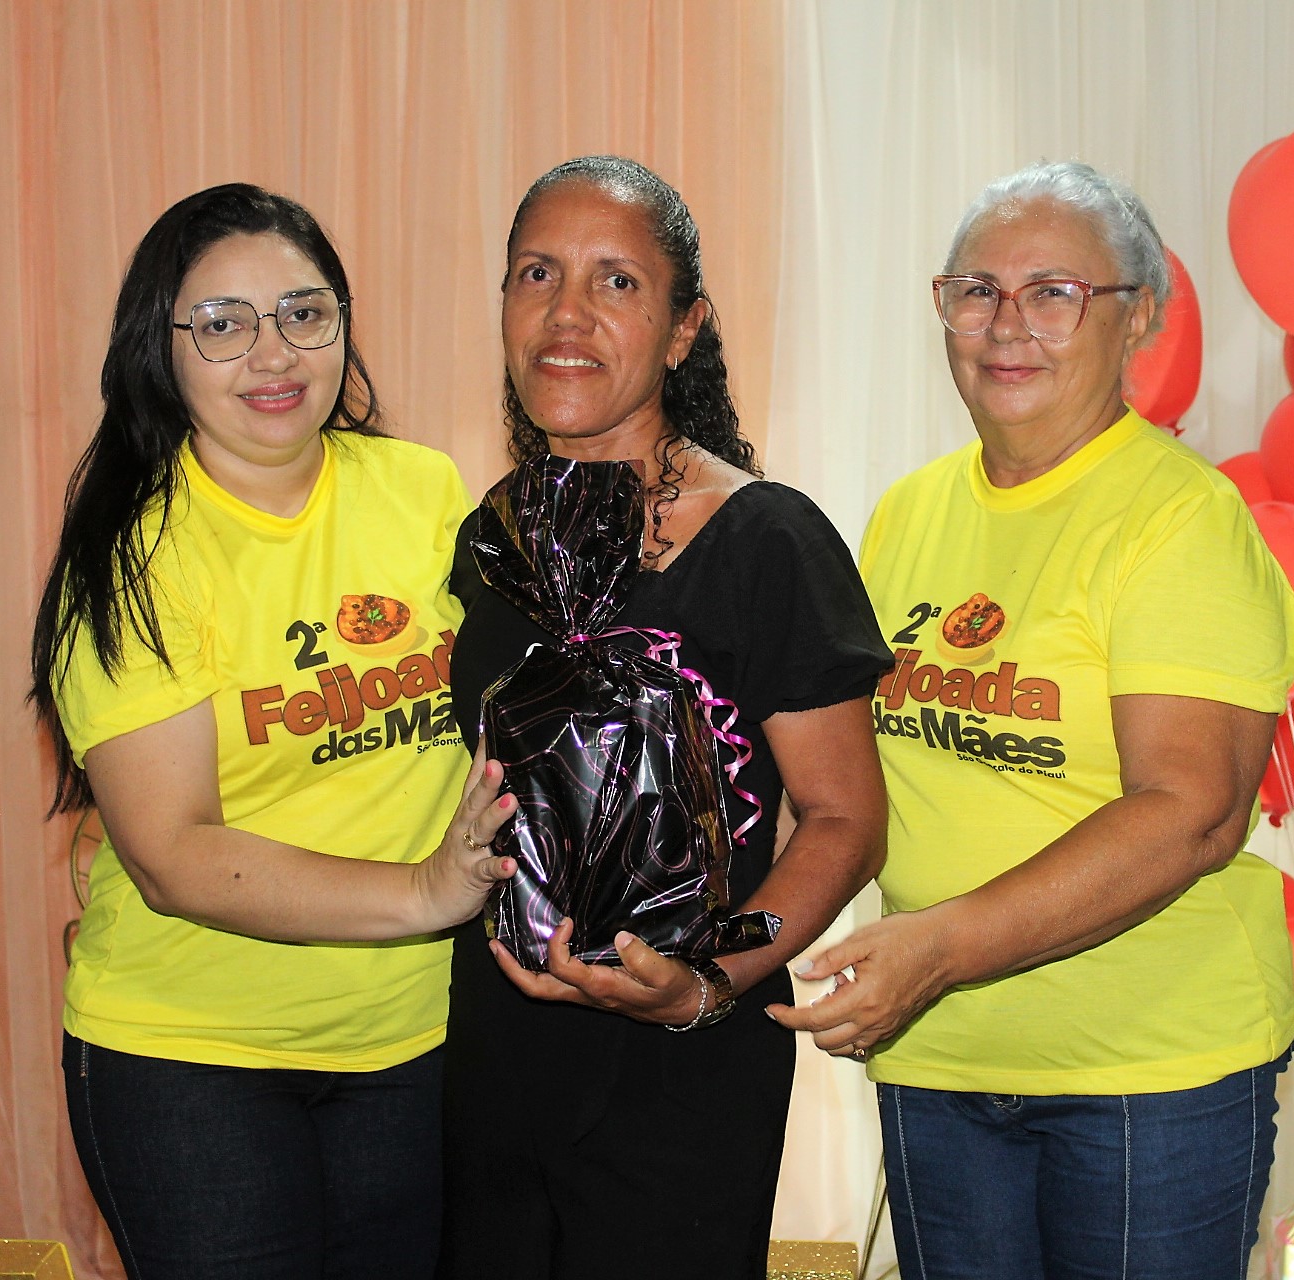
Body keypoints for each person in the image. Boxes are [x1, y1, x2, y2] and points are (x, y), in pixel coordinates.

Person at [773, 161, 1294, 1278]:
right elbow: (852, 774)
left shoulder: (1180, 522)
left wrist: (940, 946)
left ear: (1139, 316)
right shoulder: (910, 511)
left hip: (1145, 1076)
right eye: (977, 290)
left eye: (1055, 291)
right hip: (938, 1056)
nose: (1007, 326)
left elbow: (1191, 812)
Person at [28, 182, 518, 1280]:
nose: (272, 354)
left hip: (413, 1037)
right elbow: (172, 852)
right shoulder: (136, 551)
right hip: (191, 1058)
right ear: (160, 347)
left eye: (305, 312)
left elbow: (514, 701)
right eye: (222, 323)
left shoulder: (420, 487)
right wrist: (425, 891)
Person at [439, 155, 892, 1280]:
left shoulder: (768, 539)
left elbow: (844, 819)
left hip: (684, 1061)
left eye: (618, 282)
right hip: (494, 1042)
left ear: (685, 328)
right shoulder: (490, 536)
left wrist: (708, 981)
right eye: (536, 273)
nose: (567, 314)